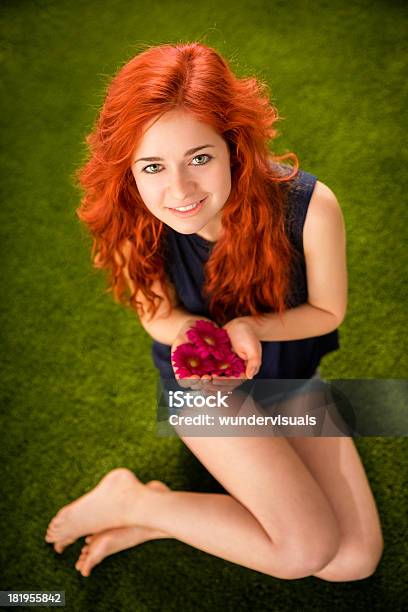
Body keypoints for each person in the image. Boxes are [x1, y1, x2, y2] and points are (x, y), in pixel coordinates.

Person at [45, 42, 383, 581]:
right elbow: (155, 315)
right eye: (152, 166)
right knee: (303, 552)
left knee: (354, 562)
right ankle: (134, 500)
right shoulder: (131, 216)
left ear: (234, 145)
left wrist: (252, 327)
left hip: (291, 379)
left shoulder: (311, 208)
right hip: (202, 393)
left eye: (199, 158)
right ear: (129, 169)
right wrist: (195, 331)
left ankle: (151, 511)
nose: (177, 190)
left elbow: (327, 311)